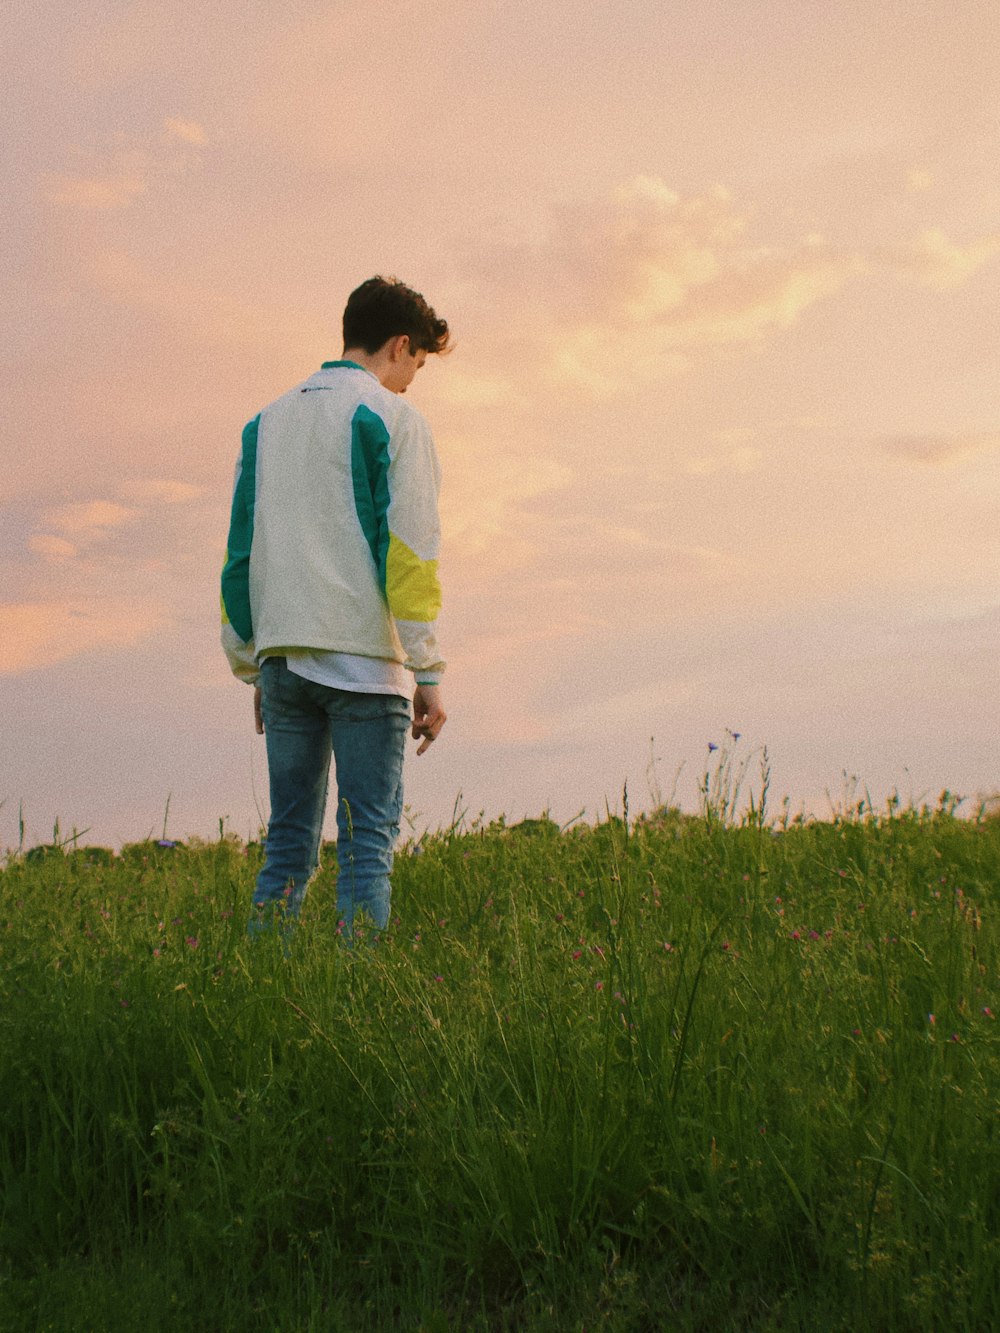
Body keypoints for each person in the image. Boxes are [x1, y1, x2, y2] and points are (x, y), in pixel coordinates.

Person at [220, 275, 450, 938]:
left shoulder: (264, 422)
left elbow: (240, 554)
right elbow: (409, 551)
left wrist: (254, 662)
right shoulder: (392, 418)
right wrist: (428, 671)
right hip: (364, 665)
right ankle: (360, 1014)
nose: (410, 381)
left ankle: (262, 998)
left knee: (287, 845)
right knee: (366, 850)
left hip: (282, 660)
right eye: (416, 365)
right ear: (399, 345)